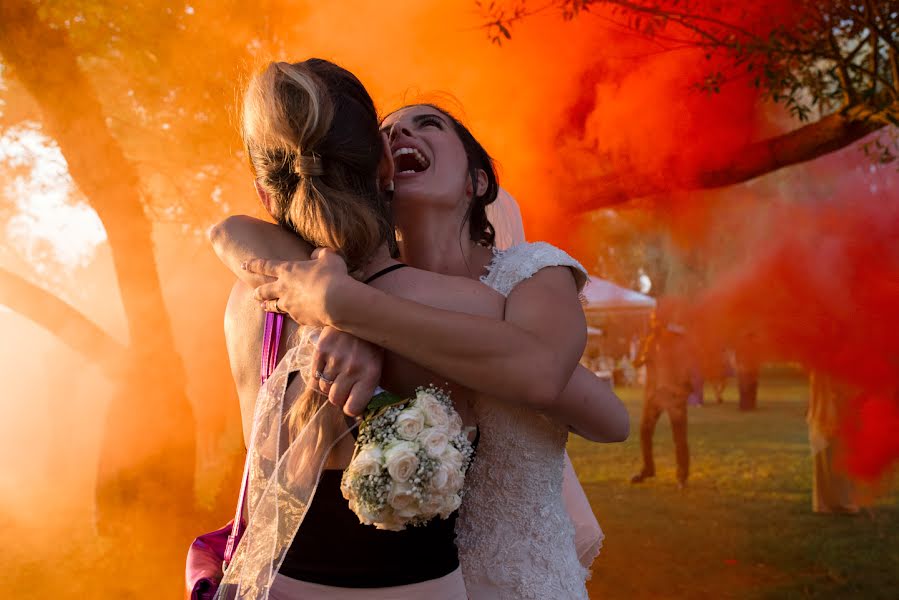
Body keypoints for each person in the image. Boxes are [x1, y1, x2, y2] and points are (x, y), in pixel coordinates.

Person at [212, 59, 628, 599]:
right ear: (381, 173)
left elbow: (567, 389)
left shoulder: (525, 278)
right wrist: (346, 306)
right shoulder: (340, 283)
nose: (402, 132)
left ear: (479, 182)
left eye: (428, 123)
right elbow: (227, 230)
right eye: (387, 131)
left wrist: (348, 308)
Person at [631, 300, 692, 488]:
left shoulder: (676, 339)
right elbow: (637, 363)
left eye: (656, 317)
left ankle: (682, 475)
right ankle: (648, 469)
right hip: (654, 395)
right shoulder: (651, 340)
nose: (653, 320)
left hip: (673, 394)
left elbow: (685, 365)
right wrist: (643, 347)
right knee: (645, 431)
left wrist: (682, 390)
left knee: (679, 436)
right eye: (652, 317)